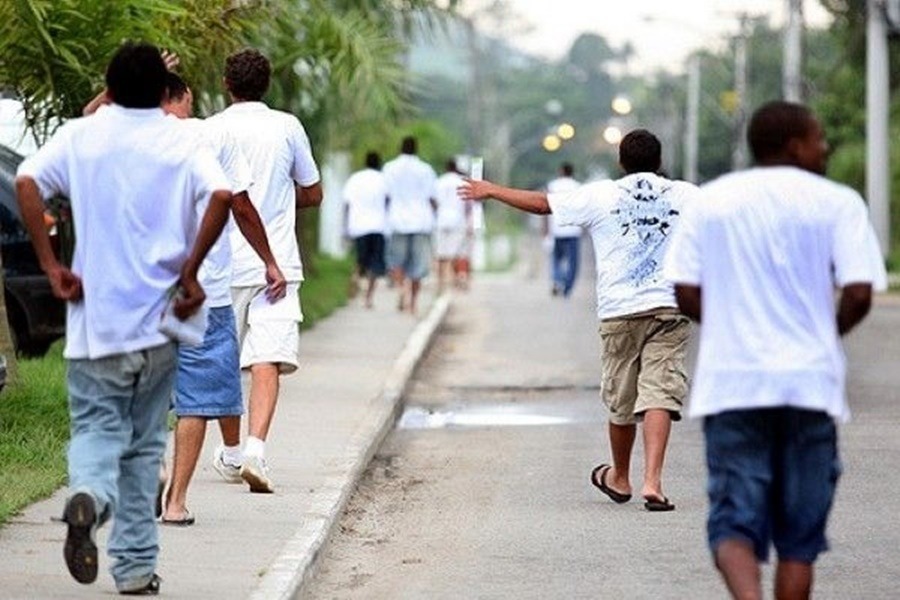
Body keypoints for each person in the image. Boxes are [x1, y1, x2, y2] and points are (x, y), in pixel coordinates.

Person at [15, 42, 231, 595]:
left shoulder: (82, 136)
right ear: (164, 92)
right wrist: (191, 269)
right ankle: (134, 570)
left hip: (96, 325)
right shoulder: (182, 139)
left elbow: (26, 182)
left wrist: (51, 265)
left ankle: (88, 493)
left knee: (96, 430)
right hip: (160, 325)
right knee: (141, 449)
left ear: (107, 89)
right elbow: (223, 194)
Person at [663, 101, 886, 600]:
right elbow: (859, 293)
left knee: (733, 524)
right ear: (793, 145)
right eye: (819, 138)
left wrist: (729, 330)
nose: (825, 147)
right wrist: (821, 337)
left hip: (734, 385)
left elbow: (684, 289)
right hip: (809, 386)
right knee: (798, 541)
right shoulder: (838, 202)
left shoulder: (712, 201)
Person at [460, 129, 700, 511]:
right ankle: (653, 482)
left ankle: (620, 477)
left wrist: (491, 190)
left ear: (621, 162)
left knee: (622, 400)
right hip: (669, 307)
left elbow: (542, 205)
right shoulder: (688, 195)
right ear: (659, 162)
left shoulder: (602, 194)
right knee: (660, 391)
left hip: (620, 310)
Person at [156, 72, 286, 524]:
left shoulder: (128, 139)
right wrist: (270, 260)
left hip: (139, 292)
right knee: (195, 398)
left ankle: (153, 465)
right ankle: (175, 503)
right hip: (202, 294)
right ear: (185, 96)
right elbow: (241, 207)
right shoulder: (214, 135)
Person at [206, 48, 322, 494]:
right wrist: (279, 197)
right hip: (278, 266)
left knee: (222, 363)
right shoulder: (287, 126)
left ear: (226, 84)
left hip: (222, 266)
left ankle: (233, 453)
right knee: (265, 360)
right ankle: (256, 450)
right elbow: (312, 193)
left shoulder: (212, 129)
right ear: (266, 84)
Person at [383, 136, 437, 315]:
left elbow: (386, 196)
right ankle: (413, 303)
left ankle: (401, 290)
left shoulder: (389, 168)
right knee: (418, 266)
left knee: (396, 261)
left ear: (401, 148)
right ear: (416, 149)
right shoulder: (426, 169)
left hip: (397, 220)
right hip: (421, 221)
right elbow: (432, 198)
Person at [342, 151, 389, 308]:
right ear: (379, 163)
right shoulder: (383, 179)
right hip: (378, 226)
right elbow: (388, 201)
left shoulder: (355, 179)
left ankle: (355, 279)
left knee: (361, 260)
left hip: (358, 226)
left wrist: (346, 227)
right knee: (375, 265)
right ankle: (368, 298)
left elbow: (347, 204)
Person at [432, 158, 471, 292]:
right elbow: (468, 204)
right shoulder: (462, 181)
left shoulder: (439, 181)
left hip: (441, 219)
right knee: (457, 253)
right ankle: (456, 279)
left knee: (441, 254)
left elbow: (433, 201)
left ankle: (440, 282)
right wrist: (469, 222)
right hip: (458, 219)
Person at [545, 162, 582, 297]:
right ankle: (567, 287)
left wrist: (546, 230)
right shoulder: (578, 187)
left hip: (557, 229)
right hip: (573, 230)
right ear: (572, 172)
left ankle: (557, 280)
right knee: (573, 261)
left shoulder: (553, 186)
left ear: (560, 171)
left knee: (556, 259)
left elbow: (545, 208)